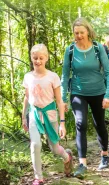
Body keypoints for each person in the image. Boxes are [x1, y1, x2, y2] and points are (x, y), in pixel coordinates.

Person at [61, 17, 109, 178]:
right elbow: (64, 75)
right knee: (80, 123)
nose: (79, 36)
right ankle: (82, 163)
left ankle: (104, 154)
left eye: (82, 32)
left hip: (98, 92)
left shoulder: (98, 48)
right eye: (76, 33)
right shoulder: (70, 50)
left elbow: (108, 73)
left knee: (100, 125)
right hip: (78, 92)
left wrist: (108, 95)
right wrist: (63, 99)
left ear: (88, 32)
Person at [22, 44, 73, 185]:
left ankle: (67, 156)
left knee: (55, 148)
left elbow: (59, 101)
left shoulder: (53, 76)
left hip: (50, 114)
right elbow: (27, 97)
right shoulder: (28, 77)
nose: (38, 61)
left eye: (41, 58)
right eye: (35, 58)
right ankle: (38, 177)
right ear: (31, 58)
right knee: (35, 145)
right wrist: (23, 118)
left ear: (46, 58)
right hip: (34, 115)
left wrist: (62, 123)